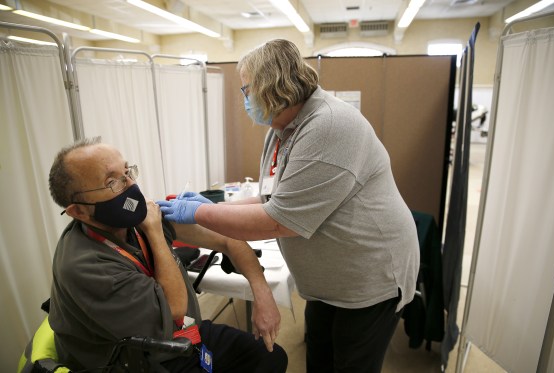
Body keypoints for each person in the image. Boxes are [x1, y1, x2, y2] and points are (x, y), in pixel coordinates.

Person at [157, 39, 420, 373]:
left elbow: (279, 221)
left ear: (271, 87)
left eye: (247, 88)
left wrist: (199, 213)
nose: (244, 98)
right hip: (328, 282)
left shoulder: (328, 125)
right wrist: (212, 204)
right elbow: (272, 198)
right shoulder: (281, 129)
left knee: (351, 364)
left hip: (368, 277)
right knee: (320, 359)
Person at [46, 137, 288, 372]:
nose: (130, 186)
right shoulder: (85, 266)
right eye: (112, 182)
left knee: (270, 358)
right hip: (138, 360)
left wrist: (262, 292)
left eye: (127, 172)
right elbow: (175, 309)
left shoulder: (132, 218)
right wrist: (153, 231)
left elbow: (227, 237)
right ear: (79, 211)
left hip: (184, 336)